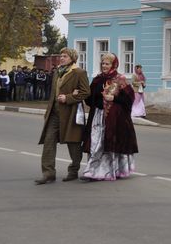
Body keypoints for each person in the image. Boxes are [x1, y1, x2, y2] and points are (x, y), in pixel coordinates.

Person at [35, 48, 90, 184]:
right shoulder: (57, 71)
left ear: (72, 58)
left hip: (70, 113)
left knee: (73, 142)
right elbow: (53, 93)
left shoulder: (79, 72)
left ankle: (73, 170)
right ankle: (48, 173)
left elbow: (86, 92)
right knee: (48, 141)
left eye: (65, 56)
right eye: (61, 56)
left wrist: (68, 97)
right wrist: (48, 111)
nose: (61, 58)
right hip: (54, 113)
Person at [81, 53, 138, 181]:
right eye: (103, 63)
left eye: (107, 64)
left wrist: (114, 98)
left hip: (115, 119)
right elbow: (90, 99)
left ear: (113, 65)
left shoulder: (120, 79)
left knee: (108, 144)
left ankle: (108, 171)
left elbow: (129, 99)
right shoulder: (97, 79)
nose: (104, 66)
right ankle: (92, 171)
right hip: (97, 116)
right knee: (95, 143)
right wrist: (94, 99)